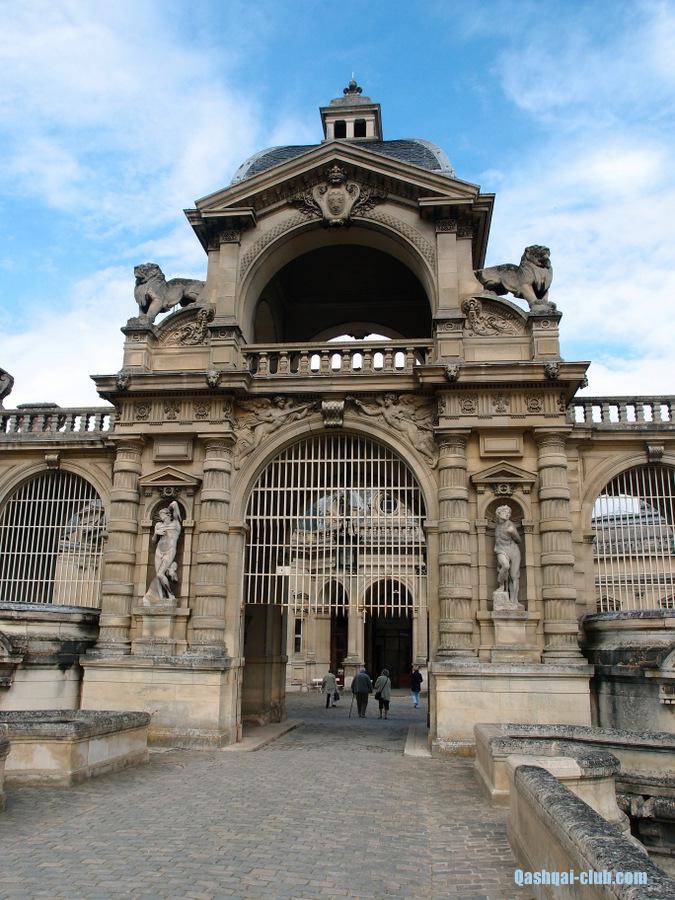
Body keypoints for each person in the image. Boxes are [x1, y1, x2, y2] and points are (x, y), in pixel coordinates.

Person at [494, 505, 521, 604]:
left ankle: (514, 600)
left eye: (509, 513)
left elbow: (519, 540)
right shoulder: (497, 524)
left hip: (513, 550)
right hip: (501, 550)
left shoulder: (510, 525)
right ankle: (501, 585)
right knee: (505, 566)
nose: (508, 514)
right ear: (499, 513)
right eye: (505, 512)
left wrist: (513, 533)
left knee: (514, 576)